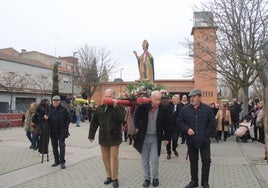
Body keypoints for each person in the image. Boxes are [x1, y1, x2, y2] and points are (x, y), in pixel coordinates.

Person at [177, 88, 216, 188]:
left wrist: (205, 134)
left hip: (204, 141)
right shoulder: (185, 109)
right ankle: (194, 181)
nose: (192, 99)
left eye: (194, 97)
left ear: (199, 97)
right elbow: (179, 123)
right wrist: (187, 129)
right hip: (191, 141)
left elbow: (212, 124)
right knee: (193, 162)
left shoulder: (207, 109)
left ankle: (205, 182)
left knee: (206, 161)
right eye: (191, 97)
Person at [88, 89, 126, 188]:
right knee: (105, 158)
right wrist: (91, 135)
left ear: (114, 97)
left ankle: (115, 178)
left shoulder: (119, 108)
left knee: (113, 158)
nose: (107, 98)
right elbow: (94, 122)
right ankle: (109, 176)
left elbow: (121, 119)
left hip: (114, 137)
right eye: (106, 96)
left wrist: (115, 107)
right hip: (103, 137)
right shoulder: (100, 108)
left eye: (110, 96)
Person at [134, 90, 170, 187]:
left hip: (155, 138)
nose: (158, 102)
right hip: (144, 137)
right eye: (156, 99)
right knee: (145, 160)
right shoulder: (144, 107)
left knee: (154, 160)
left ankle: (155, 178)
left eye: (159, 99)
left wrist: (167, 137)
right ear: (151, 98)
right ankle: (146, 178)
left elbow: (167, 124)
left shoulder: (163, 109)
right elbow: (136, 116)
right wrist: (136, 127)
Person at [44, 95, 71, 169]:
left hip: (61, 131)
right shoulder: (49, 109)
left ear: (59, 101)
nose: (55, 102)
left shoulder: (63, 109)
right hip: (52, 131)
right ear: (52, 101)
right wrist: (45, 118)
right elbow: (45, 118)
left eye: (57, 101)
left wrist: (65, 127)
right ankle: (57, 160)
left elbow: (69, 118)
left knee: (62, 146)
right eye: (54, 100)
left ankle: (62, 161)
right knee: (54, 147)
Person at [166, 94, 182, 159]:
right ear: (173, 100)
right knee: (168, 140)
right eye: (177, 99)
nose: (178, 100)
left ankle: (174, 148)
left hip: (176, 127)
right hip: (168, 127)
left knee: (175, 139)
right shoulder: (167, 107)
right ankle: (168, 153)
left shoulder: (181, 107)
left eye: (178, 99)